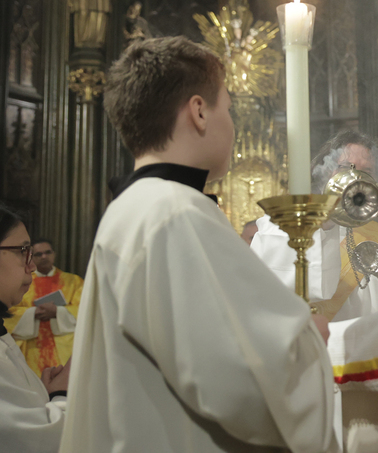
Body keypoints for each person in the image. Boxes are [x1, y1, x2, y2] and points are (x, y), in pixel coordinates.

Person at [60, 36, 336, 453]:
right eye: (228, 108)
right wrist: (308, 342)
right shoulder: (175, 213)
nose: (233, 125)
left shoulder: (138, 207)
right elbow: (244, 387)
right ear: (199, 111)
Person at [251, 129, 378, 322]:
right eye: (345, 168)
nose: (355, 177)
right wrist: (323, 221)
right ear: (326, 172)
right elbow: (264, 290)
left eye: (366, 172)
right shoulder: (283, 225)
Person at [0, 197, 68, 451]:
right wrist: (62, 395)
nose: (33, 266)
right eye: (22, 251)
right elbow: (39, 444)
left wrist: (40, 397)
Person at [4, 238, 84, 374]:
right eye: (38, 254)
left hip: (66, 347)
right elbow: (8, 311)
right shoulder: (21, 282)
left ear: (54, 254)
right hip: (31, 348)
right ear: (30, 257)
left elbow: (85, 311)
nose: (44, 257)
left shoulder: (73, 281)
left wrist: (58, 311)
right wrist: (33, 313)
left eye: (48, 252)